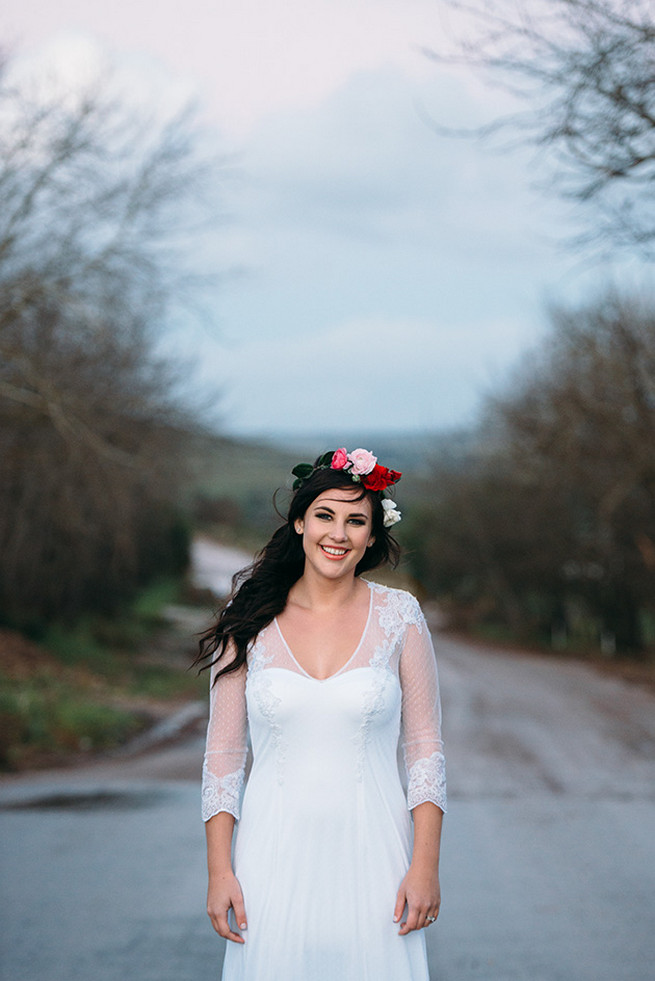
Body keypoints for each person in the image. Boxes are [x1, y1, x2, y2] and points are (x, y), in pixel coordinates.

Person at [196, 447, 446, 981]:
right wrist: (220, 871)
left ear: (373, 535)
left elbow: (425, 750)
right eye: (326, 516)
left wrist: (425, 866)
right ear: (299, 522)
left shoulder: (401, 616)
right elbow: (222, 758)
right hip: (271, 860)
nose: (339, 533)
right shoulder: (248, 619)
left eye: (357, 520)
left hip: (377, 861)